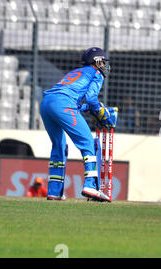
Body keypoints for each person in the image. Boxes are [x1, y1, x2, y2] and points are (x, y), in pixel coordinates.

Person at [40, 47, 117, 202]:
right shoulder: (96, 73)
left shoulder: (76, 72)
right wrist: (99, 110)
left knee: (59, 145)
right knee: (88, 142)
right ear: (96, 62)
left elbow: (72, 100)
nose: (105, 65)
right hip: (63, 104)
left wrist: (89, 108)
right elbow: (90, 98)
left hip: (46, 104)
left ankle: (54, 192)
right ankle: (90, 185)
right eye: (103, 61)